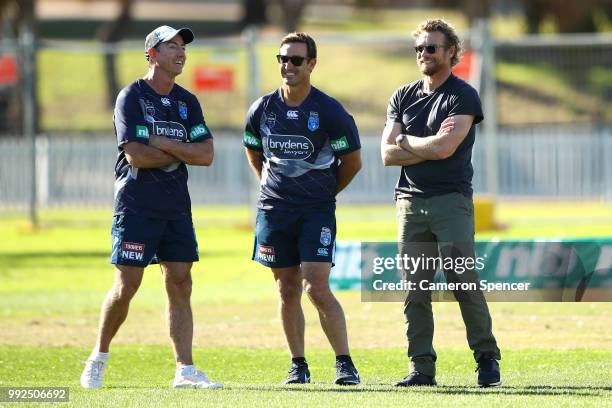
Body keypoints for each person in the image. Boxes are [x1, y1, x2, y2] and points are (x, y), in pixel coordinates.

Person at [80, 25, 222, 390]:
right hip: (137, 204)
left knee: (180, 282)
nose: (180, 53)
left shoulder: (188, 101)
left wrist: (160, 140)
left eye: (183, 47)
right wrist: (178, 147)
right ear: (152, 54)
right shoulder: (131, 97)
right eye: (171, 46)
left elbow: (206, 154)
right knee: (127, 285)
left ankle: (185, 370)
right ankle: (99, 356)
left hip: (176, 206)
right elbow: (137, 156)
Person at [380, 19, 501, 387]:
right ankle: (421, 368)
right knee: (414, 291)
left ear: (451, 52)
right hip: (409, 205)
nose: (424, 54)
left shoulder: (462, 95)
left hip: (451, 203)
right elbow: (386, 154)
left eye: (431, 48)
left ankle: (486, 359)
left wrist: (407, 142)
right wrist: (423, 146)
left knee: (463, 280)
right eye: (419, 48)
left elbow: (445, 147)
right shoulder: (402, 96)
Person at [243, 32, 362, 385]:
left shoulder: (329, 111)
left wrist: (324, 193)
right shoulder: (262, 108)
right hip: (274, 210)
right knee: (286, 288)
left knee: (316, 286)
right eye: (282, 59)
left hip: (316, 210)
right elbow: (253, 151)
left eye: (296, 59)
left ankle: (345, 364)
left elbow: (352, 163)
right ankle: (299, 365)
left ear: (311, 64)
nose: (288, 65)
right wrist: (270, 186)